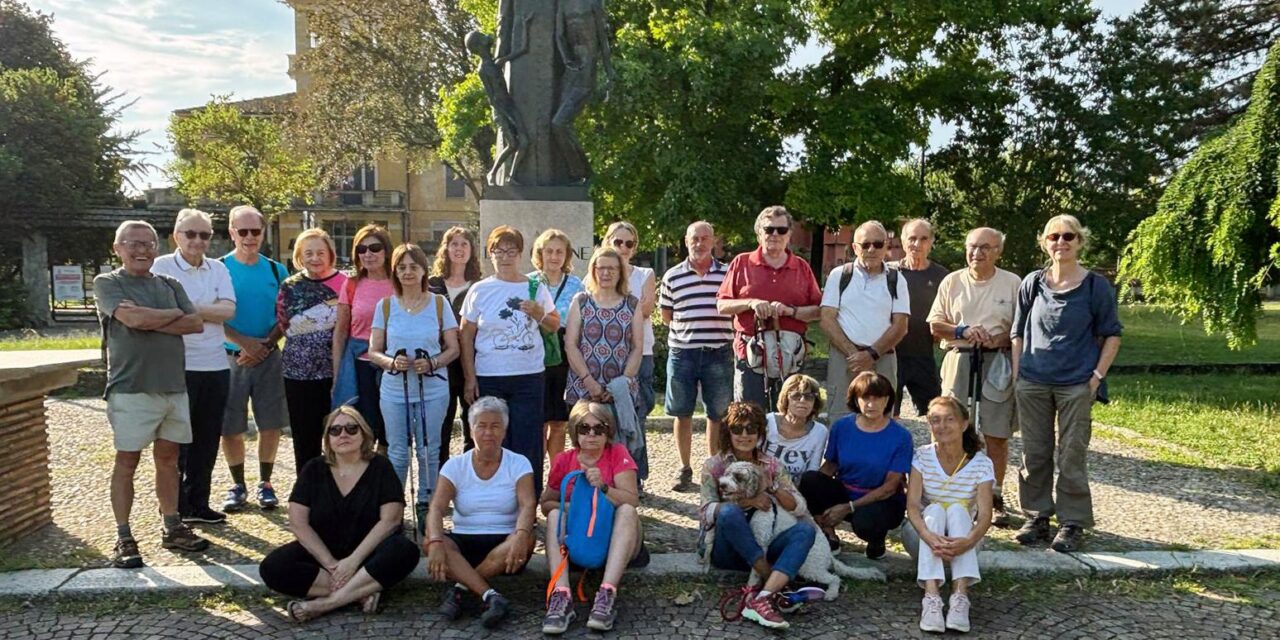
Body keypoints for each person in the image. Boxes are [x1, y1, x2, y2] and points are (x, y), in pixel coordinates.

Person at [94, 220, 208, 568]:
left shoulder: (169, 283)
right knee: (127, 462)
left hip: (173, 387)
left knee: (169, 460)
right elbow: (133, 320)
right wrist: (170, 315)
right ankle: (123, 535)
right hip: (131, 388)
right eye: (133, 243)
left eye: (148, 244)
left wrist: (151, 317)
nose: (142, 250)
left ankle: (172, 526)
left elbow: (195, 323)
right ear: (118, 249)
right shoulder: (107, 283)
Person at [1011, 215, 1122, 553]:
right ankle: (1037, 516)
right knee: (1035, 452)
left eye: (1068, 236)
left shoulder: (1095, 286)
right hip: (1033, 381)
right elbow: (1017, 332)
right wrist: (1018, 375)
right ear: (1045, 242)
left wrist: (1096, 377)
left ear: (1079, 241)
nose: (1061, 242)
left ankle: (1072, 523)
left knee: (1072, 453)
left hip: (1076, 383)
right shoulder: (1032, 283)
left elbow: (1112, 335)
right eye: (1054, 236)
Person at [259, 406, 419, 623]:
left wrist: (353, 561)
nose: (343, 434)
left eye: (352, 429)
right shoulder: (314, 468)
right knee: (273, 567)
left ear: (364, 434)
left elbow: (390, 521)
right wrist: (331, 563)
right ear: (328, 439)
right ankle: (358, 592)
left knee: (405, 550)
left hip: (369, 554)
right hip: (323, 556)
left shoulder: (381, 466)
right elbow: (298, 522)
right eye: (335, 431)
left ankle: (324, 604)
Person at [927, 227, 1021, 525]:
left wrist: (1000, 338)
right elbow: (935, 324)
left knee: (996, 430)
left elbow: (1021, 327)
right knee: (947, 424)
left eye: (985, 247)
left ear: (998, 251)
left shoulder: (1012, 283)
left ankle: (994, 494)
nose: (977, 253)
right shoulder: (952, 281)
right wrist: (962, 330)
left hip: (997, 360)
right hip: (960, 356)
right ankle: (944, 487)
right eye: (972, 246)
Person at [150, 209, 236, 525]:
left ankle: (199, 502)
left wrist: (186, 308)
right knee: (175, 441)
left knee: (207, 438)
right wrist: (205, 311)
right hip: (177, 365)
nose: (197, 241)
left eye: (204, 235)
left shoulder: (218, 268)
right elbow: (162, 310)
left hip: (215, 364)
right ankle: (174, 505)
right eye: (191, 234)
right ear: (177, 236)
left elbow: (228, 310)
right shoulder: (161, 267)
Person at [459, 226, 559, 496]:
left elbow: (553, 324)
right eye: (498, 251)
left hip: (528, 376)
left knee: (527, 441)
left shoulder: (534, 286)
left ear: (520, 254)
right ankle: (489, 496)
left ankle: (527, 499)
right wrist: (469, 377)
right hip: (489, 375)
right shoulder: (479, 290)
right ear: (490, 254)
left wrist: (539, 313)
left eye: (511, 251)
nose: (505, 257)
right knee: (488, 438)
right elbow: (466, 334)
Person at [698, 402, 814, 630]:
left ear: (760, 433)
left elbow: (799, 507)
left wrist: (773, 488)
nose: (744, 435)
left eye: (751, 429)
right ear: (727, 432)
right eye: (737, 429)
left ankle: (761, 599)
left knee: (806, 529)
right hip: (728, 549)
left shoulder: (771, 465)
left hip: (767, 544)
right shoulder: (714, 465)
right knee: (729, 511)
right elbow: (705, 512)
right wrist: (748, 501)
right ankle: (775, 583)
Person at [368, 244, 460, 531]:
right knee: (397, 450)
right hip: (395, 388)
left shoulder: (439, 304)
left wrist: (433, 362)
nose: (408, 272)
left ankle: (427, 505)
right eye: (402, 267)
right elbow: (374, 350)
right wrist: (391, 363)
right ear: (395, 271)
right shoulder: (385, 305)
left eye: (413, 267)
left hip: (433, 387)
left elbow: (453, 348)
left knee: (429, 449)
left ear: (423, 270)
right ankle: (395, 509)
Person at [425, 397, 536, 629]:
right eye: (481, 426)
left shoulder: (519, 463)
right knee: (431, 542)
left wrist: (521, 533)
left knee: (527, 540)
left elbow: (528, 505)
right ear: (470, 429)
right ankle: (490, 596)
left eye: (495, 426)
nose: (488, 433)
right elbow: (436, 507)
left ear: (504, 431)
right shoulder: (455, 466)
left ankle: (461, 589)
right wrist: (435, 541)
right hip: (465, 541)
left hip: (504, 541)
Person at [540, 401, 644, 634]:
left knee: (627, 511)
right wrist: (575, 507)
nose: (592, 434)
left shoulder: (617, 453)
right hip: (578, 538)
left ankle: (607, 593)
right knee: (556, 514)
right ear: (575, 431)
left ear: (609, 432)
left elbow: (632, 500)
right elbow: (546, 504)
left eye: (600, 428)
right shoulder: (564, 461)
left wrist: (604, 488)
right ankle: (561, 595)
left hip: (615, 539)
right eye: (584, 428)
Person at [901, 397, 994, 634]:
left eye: (949, 419)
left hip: (964, 539)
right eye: (935, 420)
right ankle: (931, 596)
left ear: (964, 424)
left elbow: (984, 516)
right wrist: (929, 536)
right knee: (933, 509)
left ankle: (960, 596)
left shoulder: (982, 463)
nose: (941, 426)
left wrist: (968, 541)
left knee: (957, 510)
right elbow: (912, 506)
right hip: (923, 538)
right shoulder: (922, 456)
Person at [716, 206, 823, 408]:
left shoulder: (801, 267)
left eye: (781, 230)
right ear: (759, 233)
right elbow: (722, 305)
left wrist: (790, 311)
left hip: (791, 354)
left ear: (789, 234)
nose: (774, 234)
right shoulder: (742, 262)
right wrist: (751, 303)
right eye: (768, 229)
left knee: (791, 417)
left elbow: (818, 310)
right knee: (749, 416)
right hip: (750, 354)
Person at [220, 205, 289, 512]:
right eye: (242, 231)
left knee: (270, 423)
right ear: (232, 232)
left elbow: (286, 315)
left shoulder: (277, 271)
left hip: (269, 356)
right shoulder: (217, 269)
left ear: (263, 232)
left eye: (255, 231)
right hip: (228, 356)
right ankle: (237, 484)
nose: (249, 237)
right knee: (230, 425)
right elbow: (209, 316)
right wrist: (244, 344)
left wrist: (265, 344)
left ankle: (266, 482)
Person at [798, 372, 912, 557]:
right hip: (847, 490)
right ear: (855, 400)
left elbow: (891, 487)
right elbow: (830, 467)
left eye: (878, 398)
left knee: (865, 522)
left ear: (887, 400)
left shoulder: (901, 436)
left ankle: (876, 541)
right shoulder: (842, 427)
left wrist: (849, 507)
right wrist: (813, 499)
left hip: (882, 499)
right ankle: (827, 533)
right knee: (810, 480)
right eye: (865, 398)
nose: (871, 404)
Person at [660, 221, 734, 492]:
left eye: (705, 238)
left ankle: (713, 467)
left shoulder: (728, 274)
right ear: (686, 241)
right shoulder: (672, 276)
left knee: (718, 413)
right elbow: (666, 315)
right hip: (683, 353)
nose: (700, 243)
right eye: (695, 238)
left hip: (719, 352)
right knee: (682, 412)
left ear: (714, 241)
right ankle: (684, 467)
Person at [820, 220, 910, 425]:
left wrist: (871, 355)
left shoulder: (896, 279)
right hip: (844, 358)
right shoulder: (840, 275)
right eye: (865, 244)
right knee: (841, 418)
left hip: (883, 357)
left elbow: (900, 325)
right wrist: (854, 355)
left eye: (878, 244)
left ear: (886, 247)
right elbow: (826, 319)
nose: (872, 249)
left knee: (882, 417)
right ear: (854, 247)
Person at [277, 228, 347, 474]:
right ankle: (306, 491)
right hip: (296, 374)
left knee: (338, 436)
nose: (315, 258)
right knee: (303, 437)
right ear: (299, 256)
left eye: (320, 252)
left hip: (334, 372)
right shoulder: (289, 286)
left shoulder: (345, 284)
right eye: (308, 253)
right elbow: (284, 324)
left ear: (330, 254)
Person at [563, 247, 643, 443]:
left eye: (612, 268)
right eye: (601, 268)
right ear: (593, 270)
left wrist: (621, 383)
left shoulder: (632, 304)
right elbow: (571, 344)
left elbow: (637, 347)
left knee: (619, 448)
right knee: (585, 445)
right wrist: (589, 381)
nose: (606, 273)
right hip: (583, 387)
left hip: (619, 389)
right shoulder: (581, 301)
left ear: (620, 272)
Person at [331, 224, 395, 448]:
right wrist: (338, 372)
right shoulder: (351, 284)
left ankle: (387, 475)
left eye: (375, 248)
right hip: (361, 365)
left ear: (386, 250)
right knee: (364, 426)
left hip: (393, 364)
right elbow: (341, 332)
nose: (368, 254)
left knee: (391, 428)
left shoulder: (400, 283)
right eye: (362, 249)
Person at [427, 226, 483, 466]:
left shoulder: (480, 286)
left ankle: (471, 474)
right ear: (445, 249)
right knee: (441, 422)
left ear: (472, 250)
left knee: (473, 420)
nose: (459, 249)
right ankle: (440, 478)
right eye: (454, 244)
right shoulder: (432, 284)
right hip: (441, 361)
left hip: (473, 361)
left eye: (464, 244)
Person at [528, 228, 585, 462]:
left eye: (559, 251)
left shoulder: (576, 284)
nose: (554, 256)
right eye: (549, 251)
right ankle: (536, 476)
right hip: (535, 353)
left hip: (564, 353)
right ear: (540, 253)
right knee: (538, 422)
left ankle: (557, 476)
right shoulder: (529, 282)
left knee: (559, 421)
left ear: (567, 255)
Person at [889, 219, 949, 417]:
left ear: (931, 241)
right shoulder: (888, 273)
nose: (917, 244)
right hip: (890, 354)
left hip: (923, 354)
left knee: (935, 413)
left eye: (923, 238)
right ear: (903, 241)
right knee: (887, 414)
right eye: (912, 238)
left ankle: (935, 449)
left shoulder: (942, 276)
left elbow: (950, 312)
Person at [603, 222, 657, 428]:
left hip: (640, 350)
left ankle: (637, 461)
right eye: (618, 242)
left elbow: (645, 310)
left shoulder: (645, 274)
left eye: (629, 243)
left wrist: (608, 308)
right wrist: (630, 306)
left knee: (639, 411)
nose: (623, 248)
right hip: (606, 351)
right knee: (606, 413)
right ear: (608, 242)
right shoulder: (597, 274)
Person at [763, 374, 828, 479]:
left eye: (809, 397)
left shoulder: (820, 432)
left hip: (798, 489)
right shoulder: (767, 422)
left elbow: (812, 472)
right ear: (786, 399)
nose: (802, 400)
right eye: (796, 396)